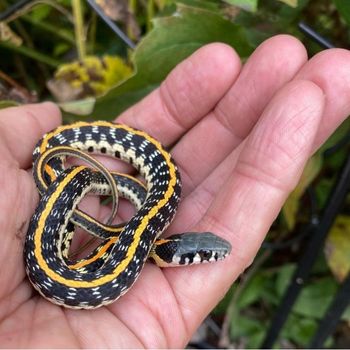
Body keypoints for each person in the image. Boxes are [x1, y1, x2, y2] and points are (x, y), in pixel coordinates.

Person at [0, 34, 349, 347]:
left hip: (90, 230)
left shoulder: (134, 241)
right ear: (172, 253)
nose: (205, 259)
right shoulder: (121, 247)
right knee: (69, 172)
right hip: (57, 246)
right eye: (201, 256)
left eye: (203, 254)